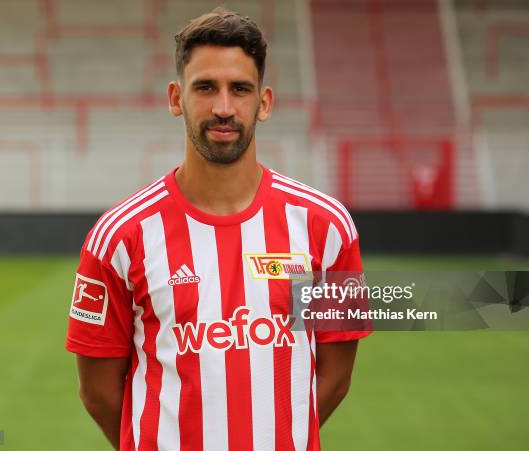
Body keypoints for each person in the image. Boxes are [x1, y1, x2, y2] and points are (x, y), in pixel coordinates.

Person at [65, 7, 372, 451]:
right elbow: (97, 391)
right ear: (176, 98)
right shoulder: (119, 235)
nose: (223, 108)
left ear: (263, 103)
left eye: (240, 89)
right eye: (205, 87)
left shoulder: (327, 227)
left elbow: (336, 376)